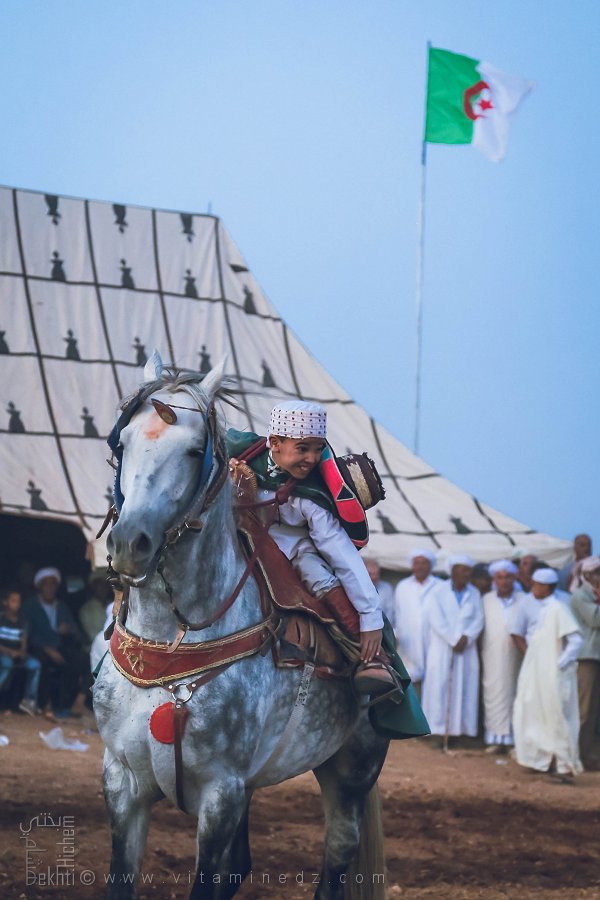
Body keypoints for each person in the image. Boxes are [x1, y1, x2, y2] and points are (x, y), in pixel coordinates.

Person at [227, 400, 400, 700]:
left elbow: (342, 555)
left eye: (318, 449)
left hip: (293, 550)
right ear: (275, 443)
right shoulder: (237, 450)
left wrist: (371, 618)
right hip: (234, 539)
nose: (312, 458)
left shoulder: (313, 496)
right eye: (303, 448)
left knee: (319, 574)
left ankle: (369, 658)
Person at [511, 568, 583, 777]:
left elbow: (576, 640)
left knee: (557, 716)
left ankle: (563, 765)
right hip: (536, 672)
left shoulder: (558, 608)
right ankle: (540, 761)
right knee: (533, 713)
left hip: (553, 675)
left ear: (546, 587)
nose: (533, 588)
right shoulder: (543, 608)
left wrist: (560, 664)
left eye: (536, 585)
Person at [421, 555, 484, 743]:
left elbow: (479, 619)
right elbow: (436, 619)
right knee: (439, 687)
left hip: (465, 649)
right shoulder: (437, 591)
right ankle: (437, 731)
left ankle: (460, 732)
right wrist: (453, 639)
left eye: (468, 571)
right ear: (453, 571)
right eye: (462, 570)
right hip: (443, 647)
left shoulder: (474, 593)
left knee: (465, 688)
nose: (466, 574)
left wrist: (467, 636)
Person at [22, 568, 89, 718]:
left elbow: (76, 632)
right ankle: (44, 705)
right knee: (44, 662)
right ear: (39, 587)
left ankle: (75, 703)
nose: (50, 588)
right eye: (46, 584)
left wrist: (68, 630)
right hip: (38, 649)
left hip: (61, 648)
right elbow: (27, 634)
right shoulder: (30, 606)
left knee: (83, 661)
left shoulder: (62, 607)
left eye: (53, 584)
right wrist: (47, 649)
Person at [480, 560, 525, 753]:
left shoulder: (524, 598)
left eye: (508, 577)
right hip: (492, 654)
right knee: (494, 693)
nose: (504, 581)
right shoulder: (486, 600)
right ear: (494, 580)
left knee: (518, 694)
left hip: (518, 655)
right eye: (500, 577)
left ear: (514, 578)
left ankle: (516, 740)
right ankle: (496, 738)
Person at [390, 548, 439, 696]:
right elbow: (396, 614)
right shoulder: (402, 586)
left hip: (433, 641)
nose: (420, 566)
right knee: (411, 683)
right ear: (412, 566)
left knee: (434, 683)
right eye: (417, 563)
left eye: (424, 563)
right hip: (408, 642)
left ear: (430, 566)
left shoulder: (439, 586)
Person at [569, 556, 600, 770]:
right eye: (597, 572)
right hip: (587, 657)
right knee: (584, 710)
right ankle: (574, 754)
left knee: (595, 711)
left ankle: (588, 754)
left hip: (597, 657)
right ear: (587, 575)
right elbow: (596, 620)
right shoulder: (580, 596)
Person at [0, 586, 41, 716]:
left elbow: (24, 642)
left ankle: (29, 701)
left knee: (35, 665)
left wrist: (21, 653)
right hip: (3, 653)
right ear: (5, 602)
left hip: (16, 654)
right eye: (13, 601)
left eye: (18, 601)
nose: (16, 604)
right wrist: (9, 652)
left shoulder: (23, 621)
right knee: (6, 665)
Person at [78, 571, 112, 645]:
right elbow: (93, 636)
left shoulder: (114, 605)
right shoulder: (86, 610)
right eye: (99, 584)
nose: (103, 588)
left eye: (105, 584)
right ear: (93, 586)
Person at [362, 557, 394, 623]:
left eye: (376, 574)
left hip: (383, 627)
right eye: (371, 574)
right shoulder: (358, 589)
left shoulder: (387, 588)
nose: (374, 577)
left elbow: (390, 611)